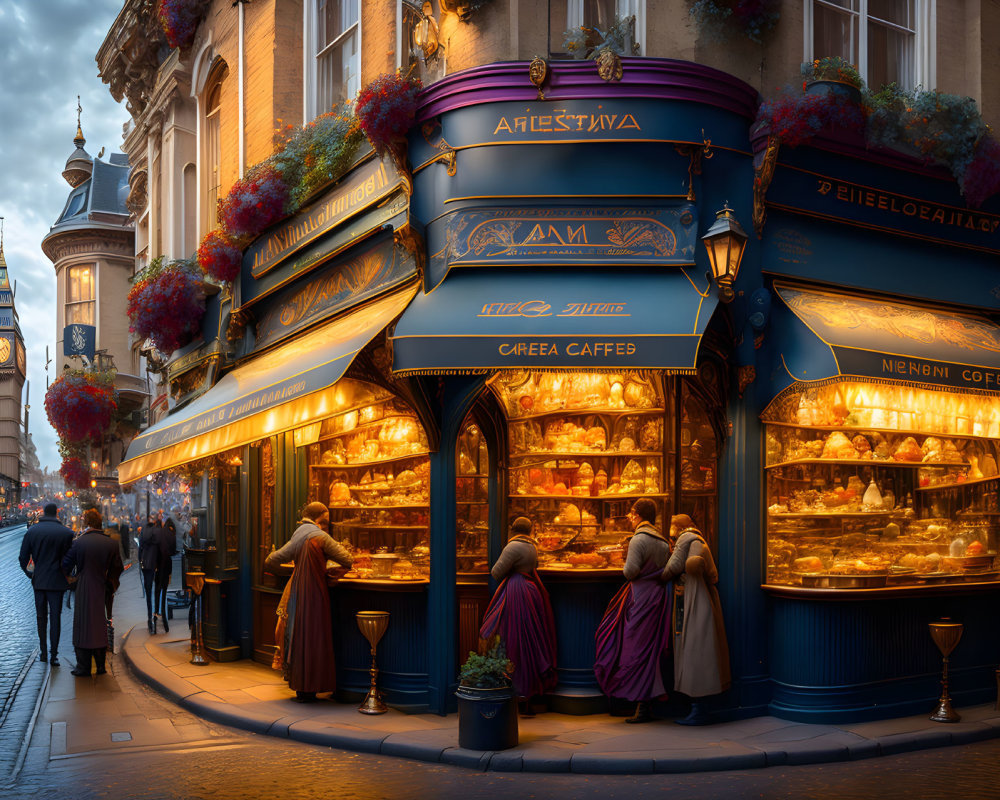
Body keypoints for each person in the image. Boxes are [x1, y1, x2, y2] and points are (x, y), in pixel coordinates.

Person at [594, 497, 673, 724]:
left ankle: (638, 700)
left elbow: (630, 572)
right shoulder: (661, 540)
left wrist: (622, 557)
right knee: (648, 651)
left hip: (640, 597)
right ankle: (644, 703)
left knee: (634, 647)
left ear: (637, 514)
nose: (629, 517)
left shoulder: (639, 539)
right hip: (656, 596)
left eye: (630, 513)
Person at [264, 502, 352, 702]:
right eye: (326, 521)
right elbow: (347, 558)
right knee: (316, 635)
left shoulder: (298, 534)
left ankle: (302, 686)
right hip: (316, 592)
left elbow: (271, 561)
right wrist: (330, 569)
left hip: (297, 592)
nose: (327, 525)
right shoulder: (320, 536)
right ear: (320, 519)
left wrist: (292, 570)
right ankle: (315, 683)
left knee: (298, 636)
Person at [479, 517, 557, 717]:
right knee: (530, 641)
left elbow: (496, 572)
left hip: (515, 592)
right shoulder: (532, 547)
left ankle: (513, 691)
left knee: (511, 641)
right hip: (530, 592)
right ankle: (529, 696)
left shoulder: (512, 547)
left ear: (513, 530)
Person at [661, 514, 731, 725]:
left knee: (692, 650)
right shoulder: (701, 539)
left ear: (677, 527)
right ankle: (699, 707)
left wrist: (656, 576)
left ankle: (698, 709)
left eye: (671, 526)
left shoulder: (685, 539)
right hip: (704, 598)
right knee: (699, 648)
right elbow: (713, 574)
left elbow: (670, 569)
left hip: (691, 599)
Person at [62, 508, 123, 677]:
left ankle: (84, 666)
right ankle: (101, 665)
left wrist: (71, 578)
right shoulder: (111, 543)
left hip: (84, 585)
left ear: (87, 523)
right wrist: (111, 583)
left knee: (83, 625)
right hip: (102, 585)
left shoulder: (79, 542)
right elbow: (118, 567)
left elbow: (65, 565)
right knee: (99, 623)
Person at [18, 503, 74, 666]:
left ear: (43, 513)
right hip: (57, 581)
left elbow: (23, 558)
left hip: (39, 581)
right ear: (57, 513)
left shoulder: (32, 531)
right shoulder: (66, 533)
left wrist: (30, 574)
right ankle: (54, 654)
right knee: (55, 618)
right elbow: (70, 559)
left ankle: (43, 652)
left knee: (41, 617)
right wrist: (66, 573)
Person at [138, 514, 161, 633]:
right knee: (157, 590)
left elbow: (140, 548)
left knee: (148, 591)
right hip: (156, 563)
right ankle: (156, 614)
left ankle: (149, 616)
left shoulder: (143, 532)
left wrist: (140, 560)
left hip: (145, 563)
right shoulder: (157, 532)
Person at [154, 518, 178, 633]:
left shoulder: (160, 532)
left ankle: (155, 613)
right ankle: (163, 612)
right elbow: (173, 551)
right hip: (167, 564)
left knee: (157, 588)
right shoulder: (172, 533)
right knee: (164, 588)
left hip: (158, 564)